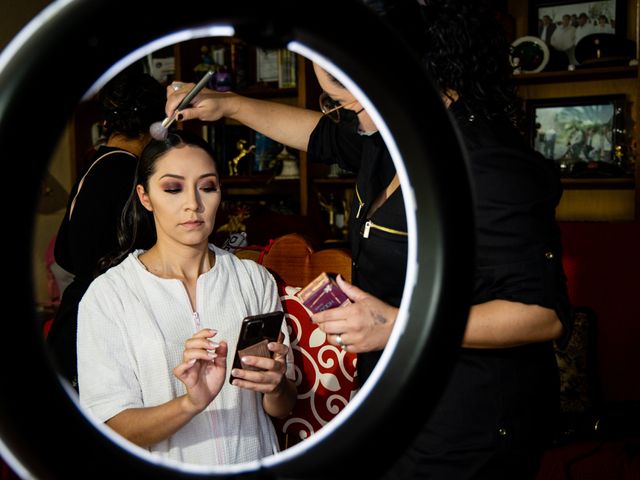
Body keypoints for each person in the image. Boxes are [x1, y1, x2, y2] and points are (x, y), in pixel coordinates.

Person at [164, 1, 571, 477]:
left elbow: (541, 315)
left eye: (345, 95)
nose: (337, 108)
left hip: (470, 418)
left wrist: (397, 324)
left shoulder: (487, 166)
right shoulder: (391, 131)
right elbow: (319, 135)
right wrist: (228, 105)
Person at [77, 130, 296, 466]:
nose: (193, 204)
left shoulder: (254, 279)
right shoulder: (110, 295)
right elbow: (112, 426)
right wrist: (191, 402)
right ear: (145, 196)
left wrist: (277, 386)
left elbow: (283, 407)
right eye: (173, 188)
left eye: (207, 187)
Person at [47, 67, 166, 388]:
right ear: (157, 124)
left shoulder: (96, 166)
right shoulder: (127, 174)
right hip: (103, 319)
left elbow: (64, 253)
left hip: (77, 311)